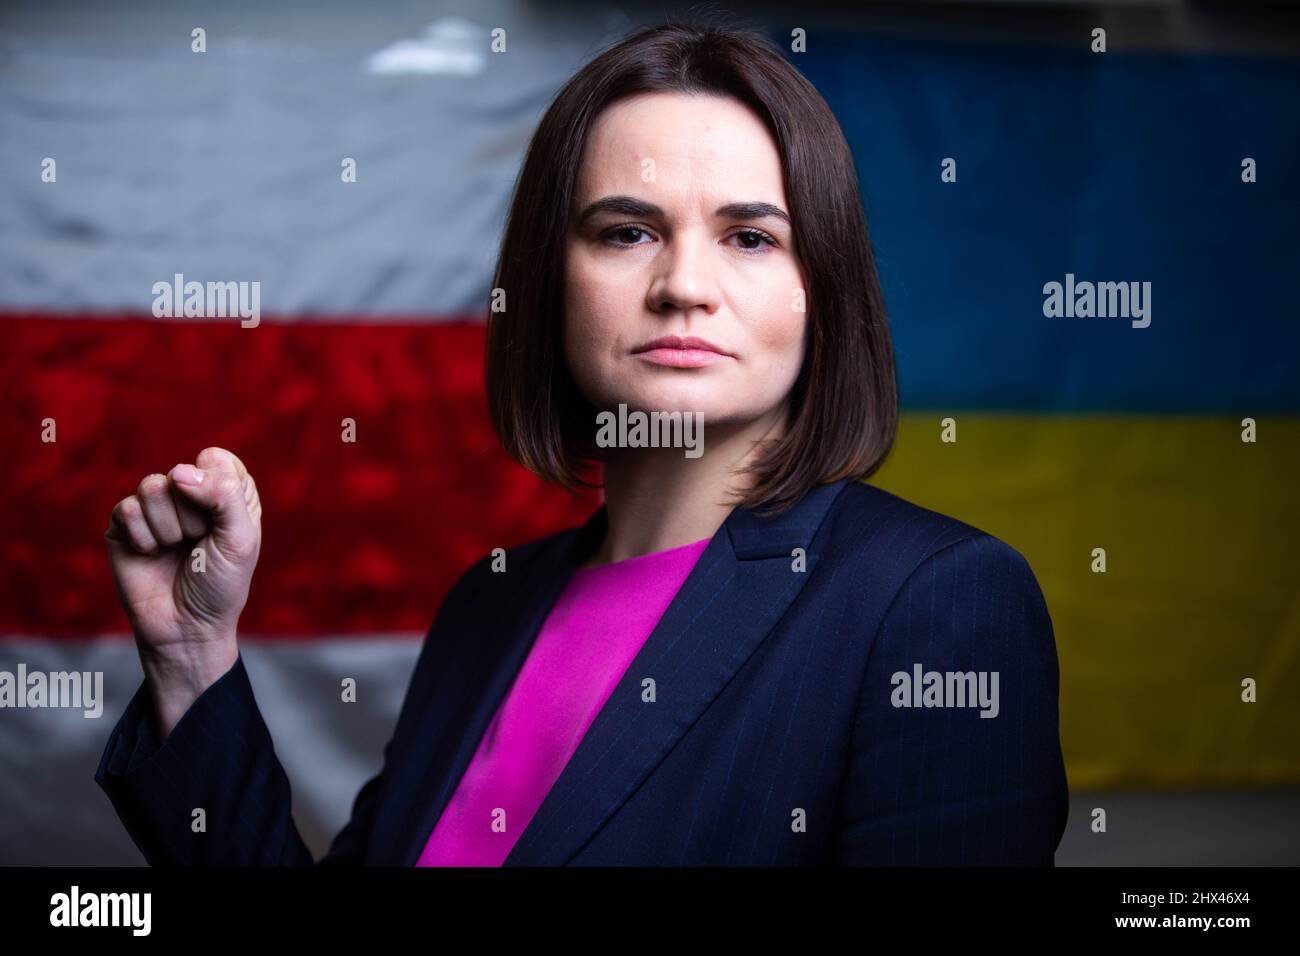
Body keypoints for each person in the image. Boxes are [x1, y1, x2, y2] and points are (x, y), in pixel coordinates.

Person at [95, 21, 1068, 866]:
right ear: (547, 280)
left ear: (823, 289)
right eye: (626, 231)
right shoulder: (489, 603)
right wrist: (192, 656)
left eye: (749, 236)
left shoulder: (937, 598)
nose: (684, 283)